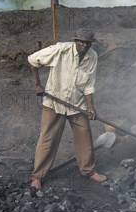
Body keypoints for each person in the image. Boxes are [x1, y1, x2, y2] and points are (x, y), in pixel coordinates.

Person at [28, 28, 107, 189]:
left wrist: (91, 107)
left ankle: (88, 171)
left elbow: (89, 85)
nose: (84, 45)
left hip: (77, 104)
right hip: (54, 103)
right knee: (48, 138)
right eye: (81, 42)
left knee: (84, 136)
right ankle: (38, 176)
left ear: (91, 44)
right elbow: (32, 60)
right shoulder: (60, 50)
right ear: (75, 41)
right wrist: (37, 84)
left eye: (87, 43)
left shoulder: (92, 56)